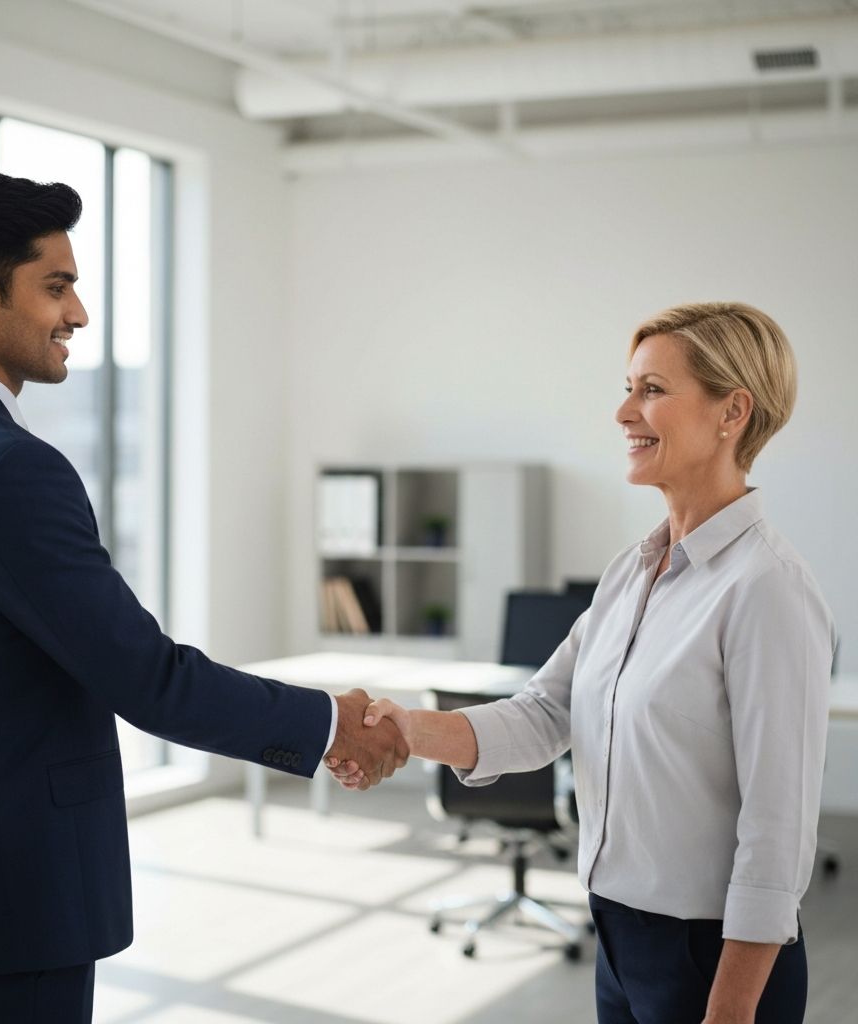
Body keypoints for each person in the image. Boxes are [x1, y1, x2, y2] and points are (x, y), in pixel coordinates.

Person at [0, 170, 407, 1024]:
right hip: (11, 920)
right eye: (56, 287)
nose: (79, 314)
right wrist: (326, 725)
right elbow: (145, 677)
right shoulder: (11, 469)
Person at [328, 302, 834, 1024]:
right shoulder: (633, 573)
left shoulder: (767, 588)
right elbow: (544, 714)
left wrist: (729, 1011)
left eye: (652, 390)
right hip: (619, 938)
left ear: (733, 412)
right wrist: (405, 729)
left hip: (716, 961)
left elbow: (778, 830)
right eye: (628, 387)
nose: (624, 411)